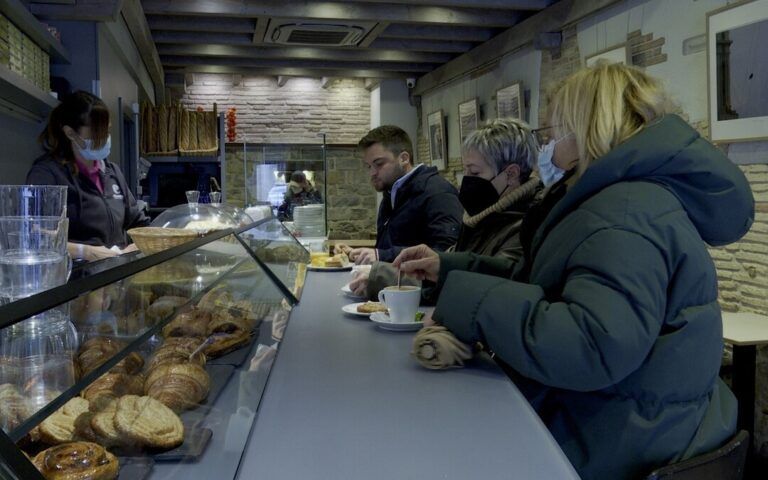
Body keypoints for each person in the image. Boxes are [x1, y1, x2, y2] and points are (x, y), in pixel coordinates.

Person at [394, 63, 754, 479]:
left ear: (586, 127)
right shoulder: (615, 199)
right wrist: (452, 272)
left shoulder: (623, 213)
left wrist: (470, 301)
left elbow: (594, 343)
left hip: (624, 440)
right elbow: (550, 285)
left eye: (553, 126)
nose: (546, 140)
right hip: (635, 418)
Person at [350, 118, 542, 299]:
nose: (465, 181)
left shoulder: (527, 226)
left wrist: (382, 276)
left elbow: (482, 287)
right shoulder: (479, 217)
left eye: (474, 172)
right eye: (465, 171)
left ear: (511, 174)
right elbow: (443, 268)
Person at [27, 91, 149, 262]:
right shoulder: (47, 174)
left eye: (107, 132)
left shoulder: (112, 172)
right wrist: (85, 251)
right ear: (70, 133)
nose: (104, 139)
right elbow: (36, 236)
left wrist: (139, 244)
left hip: (114, 278)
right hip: (75, 281)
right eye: (96, 133)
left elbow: (138, 223)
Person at [335, 125, 462, 264]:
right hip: (392, 283)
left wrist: (381, 255)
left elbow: (446, 253)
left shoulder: (438, 193)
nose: (372, 173)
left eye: (379, 164)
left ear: (404, 158)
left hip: (420, 285)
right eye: (369, 166)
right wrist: (358, 253)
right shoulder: (391, 193)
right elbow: (390, 246)